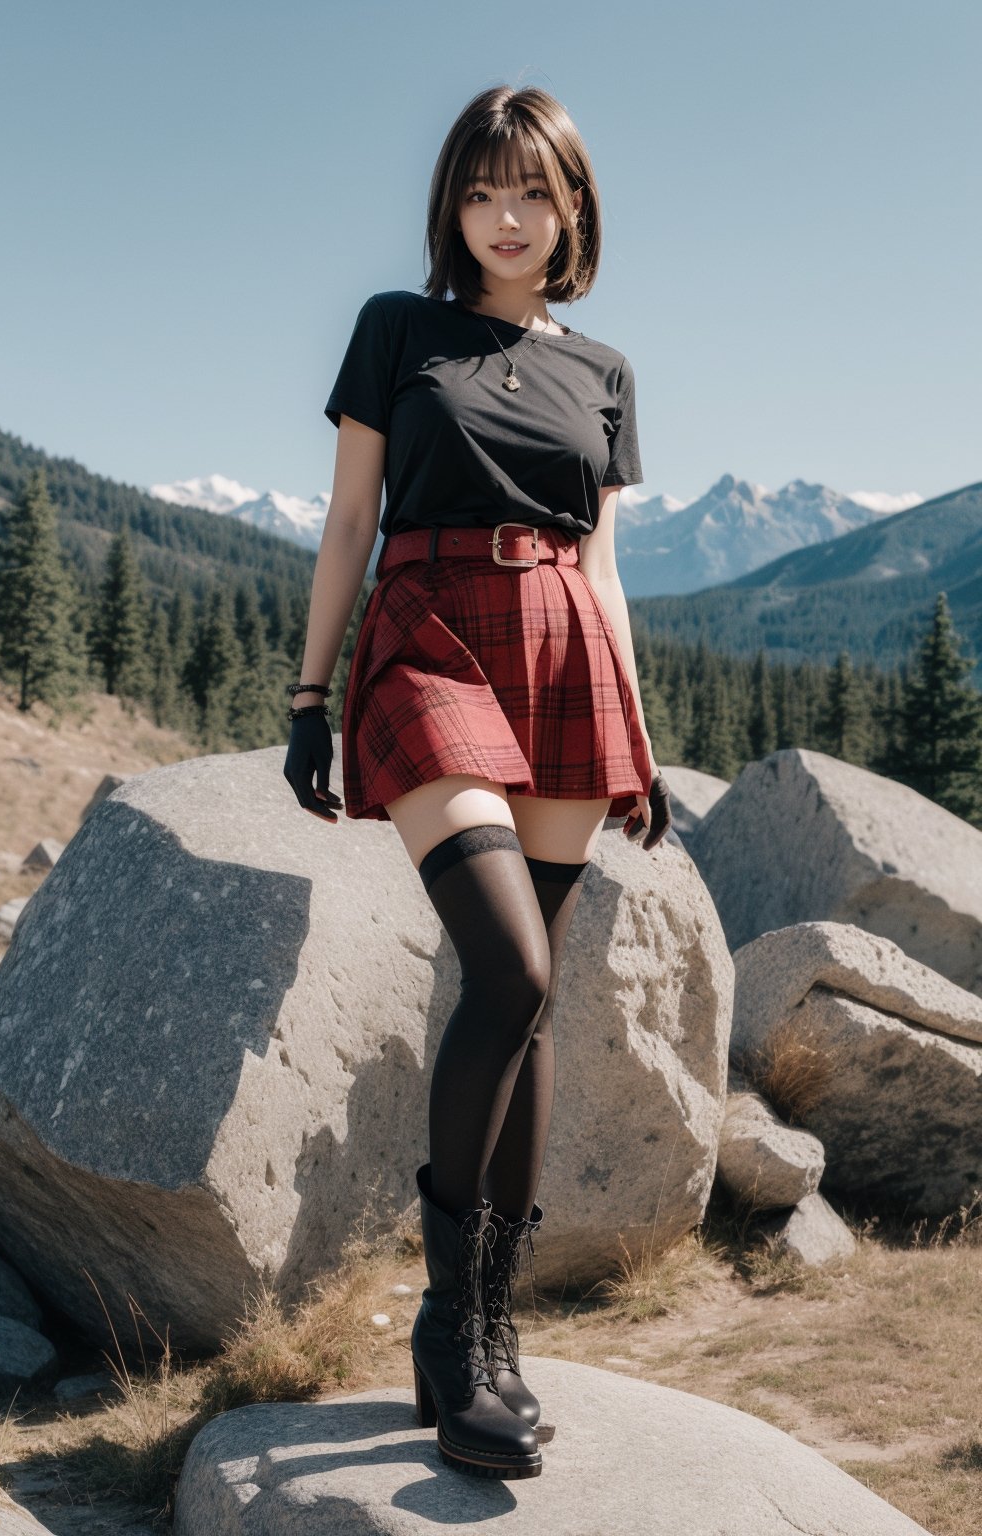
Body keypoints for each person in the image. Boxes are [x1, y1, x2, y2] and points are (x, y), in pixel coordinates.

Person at [284, 83, 672, 1480]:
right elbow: (347, 522)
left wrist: (634, 722)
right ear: (453, 205)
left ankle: (495, 1330)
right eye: (483, 192)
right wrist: (309, 694)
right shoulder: (398, 330)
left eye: (536, 193)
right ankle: (451, 1321)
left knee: (538, 999)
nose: (509, 218)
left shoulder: (607, 371)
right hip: (429, 635)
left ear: (574, 209)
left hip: (564, 650)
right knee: (507, 971)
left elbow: (605, 568)